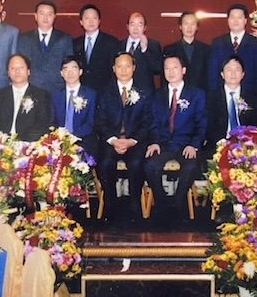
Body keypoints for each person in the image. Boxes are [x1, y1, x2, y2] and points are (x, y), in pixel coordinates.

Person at [144, 55, 206, 221]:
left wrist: (194, 145)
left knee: (190, 167)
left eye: (175, 67)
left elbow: (202, 124)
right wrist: (154, 142)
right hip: (164, 144)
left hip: (186, 145)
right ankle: (163, 204)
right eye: (167, 68)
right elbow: (152, 122)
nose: (171, 72)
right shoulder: (157, 95)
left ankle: (177, 205)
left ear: (183, 70)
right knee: (150, 165)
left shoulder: (196, 94)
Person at [95, 52, 153, 221]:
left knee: (136, 163)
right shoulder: (105, 92)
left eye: (127, 66)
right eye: (119, 66)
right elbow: (100, 121)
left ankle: (134, 203)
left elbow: (147, 121)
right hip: (111, 141)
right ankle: (110, 203)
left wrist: (131, 141)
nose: (123, 70)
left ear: (134, 68)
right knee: (105, 162)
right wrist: (113, 140)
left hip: (134, 141)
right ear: (114, 69)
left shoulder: (145, 91)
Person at [204, 55, 257, 155]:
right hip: (218, 145)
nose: (233, 73)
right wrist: (223, 144)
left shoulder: (253, 98)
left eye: (237, 69)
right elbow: (208, 126)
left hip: (246, 146)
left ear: (243, 74)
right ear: (222, 74)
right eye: (229, 70)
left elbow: (256, 125)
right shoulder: (211, 97)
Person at [208, 4, 257, 92]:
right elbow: (212, 73)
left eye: (239, 17)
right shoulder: (217, 42)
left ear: (245, 20)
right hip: (223, 94)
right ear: (228, 20)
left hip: (250, 93)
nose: (235, 21)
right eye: (232, 17)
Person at [17, 0, 73, 94]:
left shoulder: (64, 38)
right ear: (36, 16)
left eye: (49, 14)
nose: (45, 17)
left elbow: (68, 65)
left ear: (54, 17)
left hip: (57, 90)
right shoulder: (24, 39)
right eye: (42, 13)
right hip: (31, 89)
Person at [0, 54, 51, 142]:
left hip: (28, 144)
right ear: (8, 73)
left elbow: (41, 125)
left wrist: (21, 144)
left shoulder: (41, 95)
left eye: (21, 68)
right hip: (2, 144)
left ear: (28, 71)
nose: (17, 71)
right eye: (13, 68)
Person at [51, 56, 98, 158]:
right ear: (61, 73)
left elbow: (91, 123)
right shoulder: (56, 95)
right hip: (60, 140)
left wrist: (72, 138)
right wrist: (60, 137)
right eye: (66, 69)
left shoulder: (91, 94)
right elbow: (52, 121)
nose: (70, 73)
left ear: (80, 72)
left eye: (74, 69)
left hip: (83, 139)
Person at [73, 4, 119, 93]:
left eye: (94, 18)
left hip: (104, 92)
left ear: (99, 21)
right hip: (81, 92)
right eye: (87, 18)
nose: (91, 21)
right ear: (81, 22)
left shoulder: (111, 42)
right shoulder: (75, 43)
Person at [162, 11, 210, 92]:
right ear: (180, 26)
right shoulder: (170, 49)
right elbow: (164, 77)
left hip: (200, 93)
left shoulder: (206, 49)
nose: (189, 27)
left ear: (197, 27)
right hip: (177, 92)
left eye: (193, 24)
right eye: (186, 24)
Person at [117, 12, 163, 91]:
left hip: (145, 92)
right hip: (122, 90)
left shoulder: (152, 44)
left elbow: (157, 69)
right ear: (127, 26)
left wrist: (145, 49)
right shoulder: (118, 45)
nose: (135, 28)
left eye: (139, 25)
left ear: (145, 28)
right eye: (132, 24)